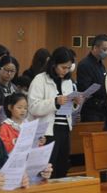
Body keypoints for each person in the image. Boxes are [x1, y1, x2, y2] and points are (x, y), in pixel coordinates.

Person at [28, 46, 81, 179]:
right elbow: (33, 107)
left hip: (64, 128)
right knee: (47, 169)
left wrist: (75, 103)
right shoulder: (40, 79)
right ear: (54, 64)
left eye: (68, 68)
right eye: (63, 67)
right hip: (48, 131)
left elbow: (68, 109)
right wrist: (55, 102)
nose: (66, 71)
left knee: (62, 167)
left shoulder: (68, 81)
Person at [76, 34, 107, 122]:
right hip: (90, 110)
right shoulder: (85, 64)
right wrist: (104, 89)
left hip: (101, 109)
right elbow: (84, 89)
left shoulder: (101, 65)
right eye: (104, 49)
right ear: (95, 48)